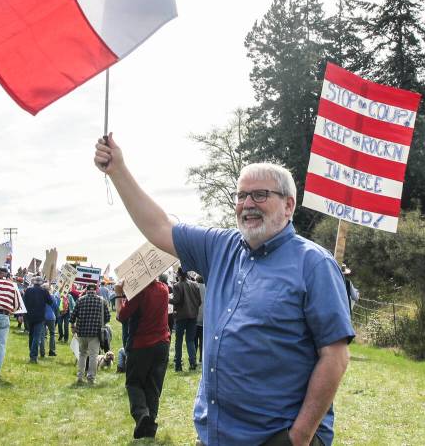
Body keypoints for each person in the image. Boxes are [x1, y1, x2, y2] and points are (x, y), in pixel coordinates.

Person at [94, 135, 354, 446]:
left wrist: (299, 437)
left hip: (277, 438)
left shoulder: (314, 265)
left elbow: (335, 356)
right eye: (241, 195)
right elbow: (159, 227)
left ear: (288, 205)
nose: (247, 205)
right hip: (217, 435)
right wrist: (118, 170)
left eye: (259, 195)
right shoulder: (220, 247)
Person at [116, 276, 171, 439]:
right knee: (153, 386)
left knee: (134, 383)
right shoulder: (164, 288)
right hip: (162, 343)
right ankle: (148, 427)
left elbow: (121, 315)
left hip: (141, 344)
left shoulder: (140, 292)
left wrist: (119, 294)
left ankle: (142, 415)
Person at [72, 282, 110, 385]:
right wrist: (100, 323)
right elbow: (107, 317)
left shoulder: (80, 300)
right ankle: (91, 378)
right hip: (95, 333)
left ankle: (80, 376)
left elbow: (73, 316)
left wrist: (73, 326)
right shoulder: (101, 301)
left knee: (82, 354)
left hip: (82, 332)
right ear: (96, 290)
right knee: (93, 356)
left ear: (86, 290)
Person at [171, 267, 201, 372]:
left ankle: (178, 364)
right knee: (190, 340)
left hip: (181, 316)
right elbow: (199, 301)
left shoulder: (177, 285)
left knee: (178, 341)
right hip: (192, 316)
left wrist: (167, 298)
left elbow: (176, 300)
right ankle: (193, 363)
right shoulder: (195, 284)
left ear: (178, 275)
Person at [22, 275, 52, 363]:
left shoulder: (28, 290)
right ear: (41, 283)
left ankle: (31, 353)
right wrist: (48, 292)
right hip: (40, 317)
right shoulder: (44, 291)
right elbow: (50, 302)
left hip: (29, 316)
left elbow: (24, 302)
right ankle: (33, 356)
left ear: (34, 282)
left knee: (31, 335)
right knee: (36, 336)